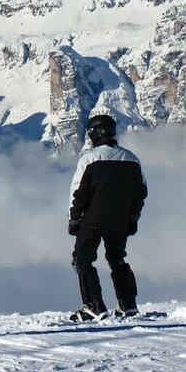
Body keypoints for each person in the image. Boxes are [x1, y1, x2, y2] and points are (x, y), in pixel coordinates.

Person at [66, 113, 147, 321]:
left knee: (82, 260)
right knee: (117, 259)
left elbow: (79, 193)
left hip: (93, 219)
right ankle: (128, 304)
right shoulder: (132, 159)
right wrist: (132, 218)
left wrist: (74, 219)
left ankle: (93, 305)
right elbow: (141, 192)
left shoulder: (90, 159)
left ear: (93, 134)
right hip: (120, 221)